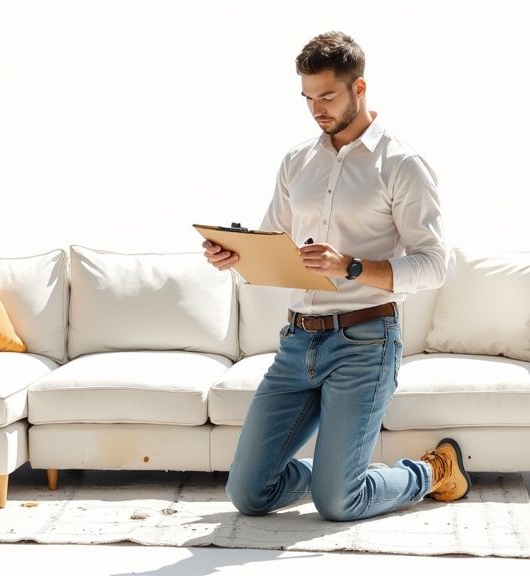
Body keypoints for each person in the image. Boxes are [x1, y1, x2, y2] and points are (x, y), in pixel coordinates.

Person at [203, 31, 470, 522]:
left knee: (338, 504)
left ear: (359, 87)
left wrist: (350, 265)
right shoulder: (296, 161)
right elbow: (272, 242)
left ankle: (434, 470)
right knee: (247, 493)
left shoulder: (402, 165)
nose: (316, 109)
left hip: (366, 341)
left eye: (327, 96)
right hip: (297, 343)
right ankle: (332, 475)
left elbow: (434, 264)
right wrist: (235, 255)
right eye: (307, 98)